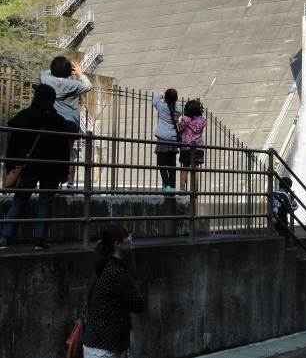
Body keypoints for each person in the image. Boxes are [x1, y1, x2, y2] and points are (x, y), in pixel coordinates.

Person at [0, 84, 77, 250]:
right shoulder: (54, 119)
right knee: (46, 202)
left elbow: (13, 139)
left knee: (19, 200)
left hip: (27, 167)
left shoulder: (24, 116)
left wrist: (11, 165)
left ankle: (5, 238)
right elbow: (72, 129)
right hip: (51, 168)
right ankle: (40, 240)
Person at [83, 223, 144, 357]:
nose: (130, 238)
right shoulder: (114, 271)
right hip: (104, 349)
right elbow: (138, 304)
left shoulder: (102, 265)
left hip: (102, 345)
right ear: (116, 243)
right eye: (127, 235)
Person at [40, 56, 92, 190]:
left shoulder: (47, 79)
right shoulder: (73, 85)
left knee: (51, 153)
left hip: (52, 122)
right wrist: (80, 74)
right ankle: (69, 184)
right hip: (70, 124)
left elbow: (45, 72)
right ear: (69, 71)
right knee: (69, 154)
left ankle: (52, 183)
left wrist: (57, 69)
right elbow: (88, 86)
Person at [152, 89, 182, 192]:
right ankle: (173, 187)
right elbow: (177, 107)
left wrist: (160, 94)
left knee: (161, 164)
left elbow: (155, 100)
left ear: (166, 98)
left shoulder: (162, 107)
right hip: (173, 139)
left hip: (162, 138)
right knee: (172, 165)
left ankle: (167, 185)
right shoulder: (178, 110)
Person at [178, 99, 207, 192]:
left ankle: (182, 190)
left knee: (185, 168)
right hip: (198, 147)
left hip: (186, 147)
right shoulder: (202, 120)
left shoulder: (184, 119)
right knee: (196, 169)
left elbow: (180, 129)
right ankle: (195, 190)